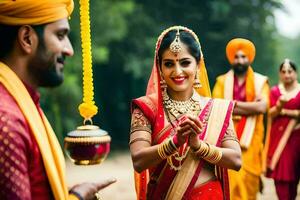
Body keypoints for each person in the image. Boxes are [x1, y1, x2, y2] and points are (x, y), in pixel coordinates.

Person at [0, 1, 115, 199]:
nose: (69, 49)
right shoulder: (7, 121)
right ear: (27, 38)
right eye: (60, 35)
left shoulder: (23, 106)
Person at [129, 26, 241, 200]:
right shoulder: (146, 108)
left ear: (198, 64)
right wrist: (175, 142)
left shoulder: (216, 110)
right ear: (159, 67)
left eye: (185, 62)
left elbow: (236, 160)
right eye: (168, 64)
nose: (177, 71)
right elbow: (138, 160)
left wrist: (198, 146)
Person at [212, 38, 269, 200]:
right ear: (232, 59)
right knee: (229, 180)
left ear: (249, 58)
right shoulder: (222, 81)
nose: (240, 60)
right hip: (227, 138)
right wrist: (250, 107)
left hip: (251, 142)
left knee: (248, 181)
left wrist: (231, 106)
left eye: (244, 57)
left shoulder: (260, 82)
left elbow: (262, 107)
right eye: (236, 57)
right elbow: (217, 105)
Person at [264, 59, 300, 200]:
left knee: (294, 178)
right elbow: (270, 113)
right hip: (279, 141)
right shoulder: (275, 91)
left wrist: (285, 112)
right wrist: (279, 106)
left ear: (295, 73)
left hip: (297, 138)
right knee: (282, 179)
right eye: (283, 72)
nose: (287, 75)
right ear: (279, 74)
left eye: (290, 71)